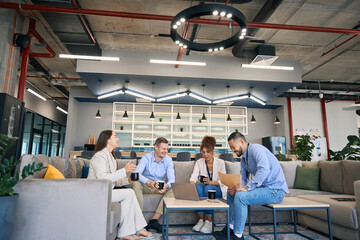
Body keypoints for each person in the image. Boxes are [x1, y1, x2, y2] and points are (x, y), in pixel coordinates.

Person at [217, 132, 289, 240]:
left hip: (275, 191)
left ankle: (238, 236)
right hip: (263, 189)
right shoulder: (244, 159)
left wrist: (247, 188)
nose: (232, 150)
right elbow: (243, 179)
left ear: (241, 142)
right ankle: (230, 229)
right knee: (232, 193)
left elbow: (264, 170)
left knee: (241, 197)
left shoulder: (256, 149)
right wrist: (236, 187)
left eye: (233, 147)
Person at [88, 130, 154, 240]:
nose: (118, 139)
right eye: (115, 136)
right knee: (129, 193)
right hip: (97, 193)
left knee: (129, 193)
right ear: (108, 140)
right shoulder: (99, 156)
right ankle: (134, 230)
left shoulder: (112, 158)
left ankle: (133, 231)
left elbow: (114, 180)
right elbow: (103, 178)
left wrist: (128, 180)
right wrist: (124, 170)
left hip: (106, 191)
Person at [132, 137, 175, 233]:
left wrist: (166, 186)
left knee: (174, 189)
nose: (165, 151)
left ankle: (153, 220)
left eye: (167, 149)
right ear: (156, 147)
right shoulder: (146, 157)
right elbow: (137, 174)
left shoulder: (168, 160)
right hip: (146, 186)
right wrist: (149, 182)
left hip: (160, 187)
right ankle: (138, 221)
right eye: (163, 149)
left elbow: (172, 180)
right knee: (135, 183)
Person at [190, 136, 227, 233]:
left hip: (217, 189)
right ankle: (201, 220)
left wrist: (210, 182)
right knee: (198, 186)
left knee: (208, 188)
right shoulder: (199, 162)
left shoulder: (220, 162)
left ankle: (209, 221)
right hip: (204, 187)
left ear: (213, 151)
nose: (205, 155)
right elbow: (193, 177)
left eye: (208, 152)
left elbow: (223, 181)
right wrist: (191, 185)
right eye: (203, 152)